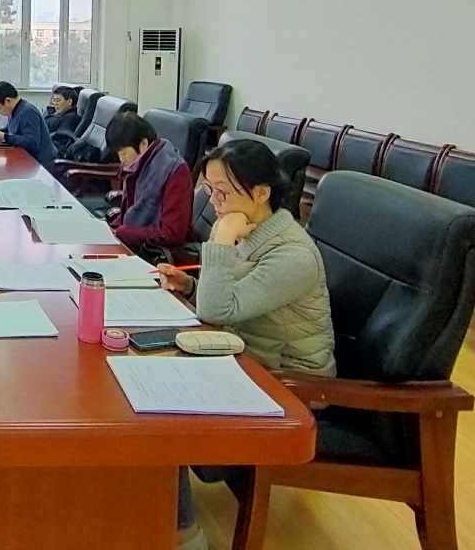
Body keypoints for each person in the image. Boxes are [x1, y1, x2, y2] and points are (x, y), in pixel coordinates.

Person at [157, 139, 335, 550]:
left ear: (261, 193)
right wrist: (192, 286)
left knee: (163, 400)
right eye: (210, 190)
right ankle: (140, 501)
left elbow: (219, 309)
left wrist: (220, 240)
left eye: (223, 192)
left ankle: (184, 533)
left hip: (289, 384)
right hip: (249, 358)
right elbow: (237, 300)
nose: (214, 202)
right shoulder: (257, 232)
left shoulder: (292, 254)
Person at [104, 111, 193, 254]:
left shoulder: (175, 171)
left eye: (124, 153)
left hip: (157, 254)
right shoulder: (138, 165)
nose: (121, 160)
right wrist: (112, 229)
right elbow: (129, 210)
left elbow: (172, 234)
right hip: (131, 242)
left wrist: (124, 233)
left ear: (143, 144)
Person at [0, 81, 56, 169]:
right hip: (25, 159)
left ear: (8, 101)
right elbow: (13, 129)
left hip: (40, 165)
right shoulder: (15, 109)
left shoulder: (28, 112)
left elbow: (31, 143)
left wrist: (4, 137)